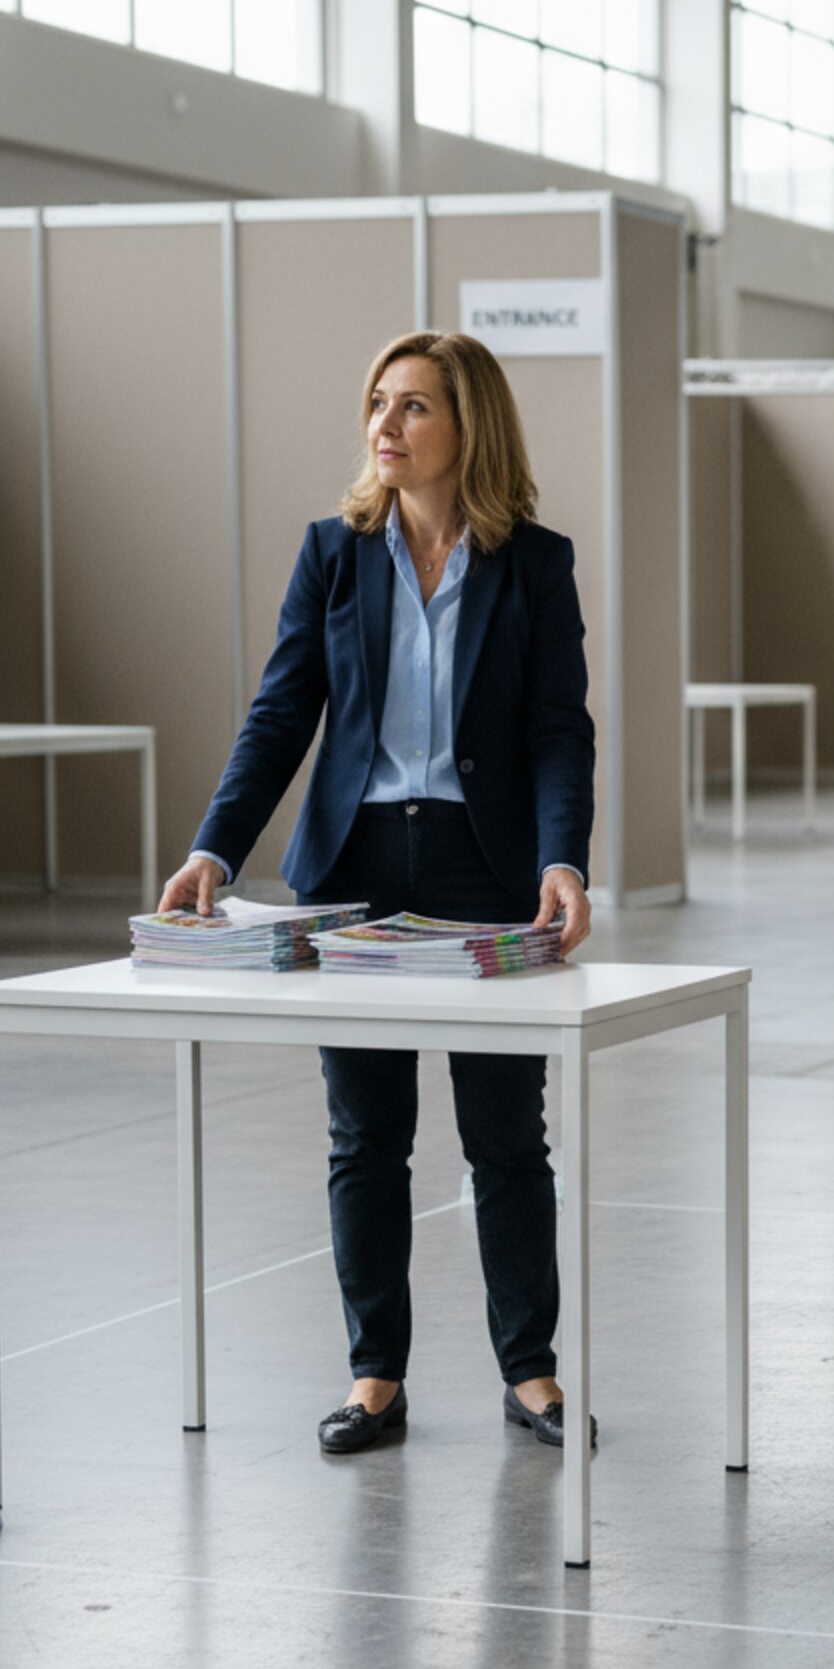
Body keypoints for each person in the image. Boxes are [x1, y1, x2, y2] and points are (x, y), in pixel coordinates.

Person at [158, 330, 596, 1456]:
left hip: (484, 870)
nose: (384, 427)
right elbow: (280, 713)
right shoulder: (334, 553)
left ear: (468, 428)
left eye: (412, 408)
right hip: (350, 873)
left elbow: (557, 728)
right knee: (366, 1135)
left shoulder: (534, 564)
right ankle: (374, 1376)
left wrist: (562, 859)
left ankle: (531, 1370)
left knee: (505, 1135)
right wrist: (216, 847)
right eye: (377, 404)